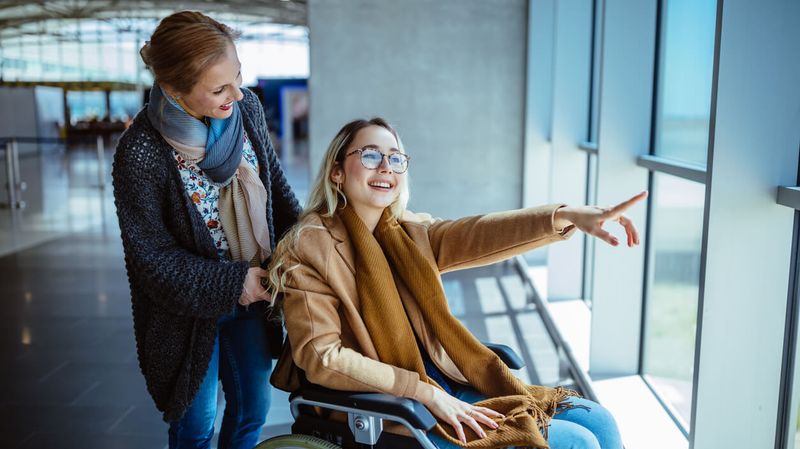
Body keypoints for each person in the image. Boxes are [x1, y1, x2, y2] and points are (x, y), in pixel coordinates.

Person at [268, 118, 644, 449]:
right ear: (337, 171)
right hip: (387, 405)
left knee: (598, 420)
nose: (386, 166)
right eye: (370, 155)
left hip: (443, 382)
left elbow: (480, 233)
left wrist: (566, 216)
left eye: (395, 158)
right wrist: (421, 391)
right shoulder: (310, 245)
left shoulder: (408, 233)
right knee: (575, 442)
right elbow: (321, 357)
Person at [111, 11, 301, 449]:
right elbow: (151, 261)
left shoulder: (245, 109)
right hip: (186, 315)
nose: (236, 92)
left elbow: (277, 195)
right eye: (219, 88)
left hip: (254, 297)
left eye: (238, 76)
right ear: (174, 88)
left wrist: (312, 240)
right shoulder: (140, 152)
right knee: (196, 427)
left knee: (252, 411)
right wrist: (236, 282)